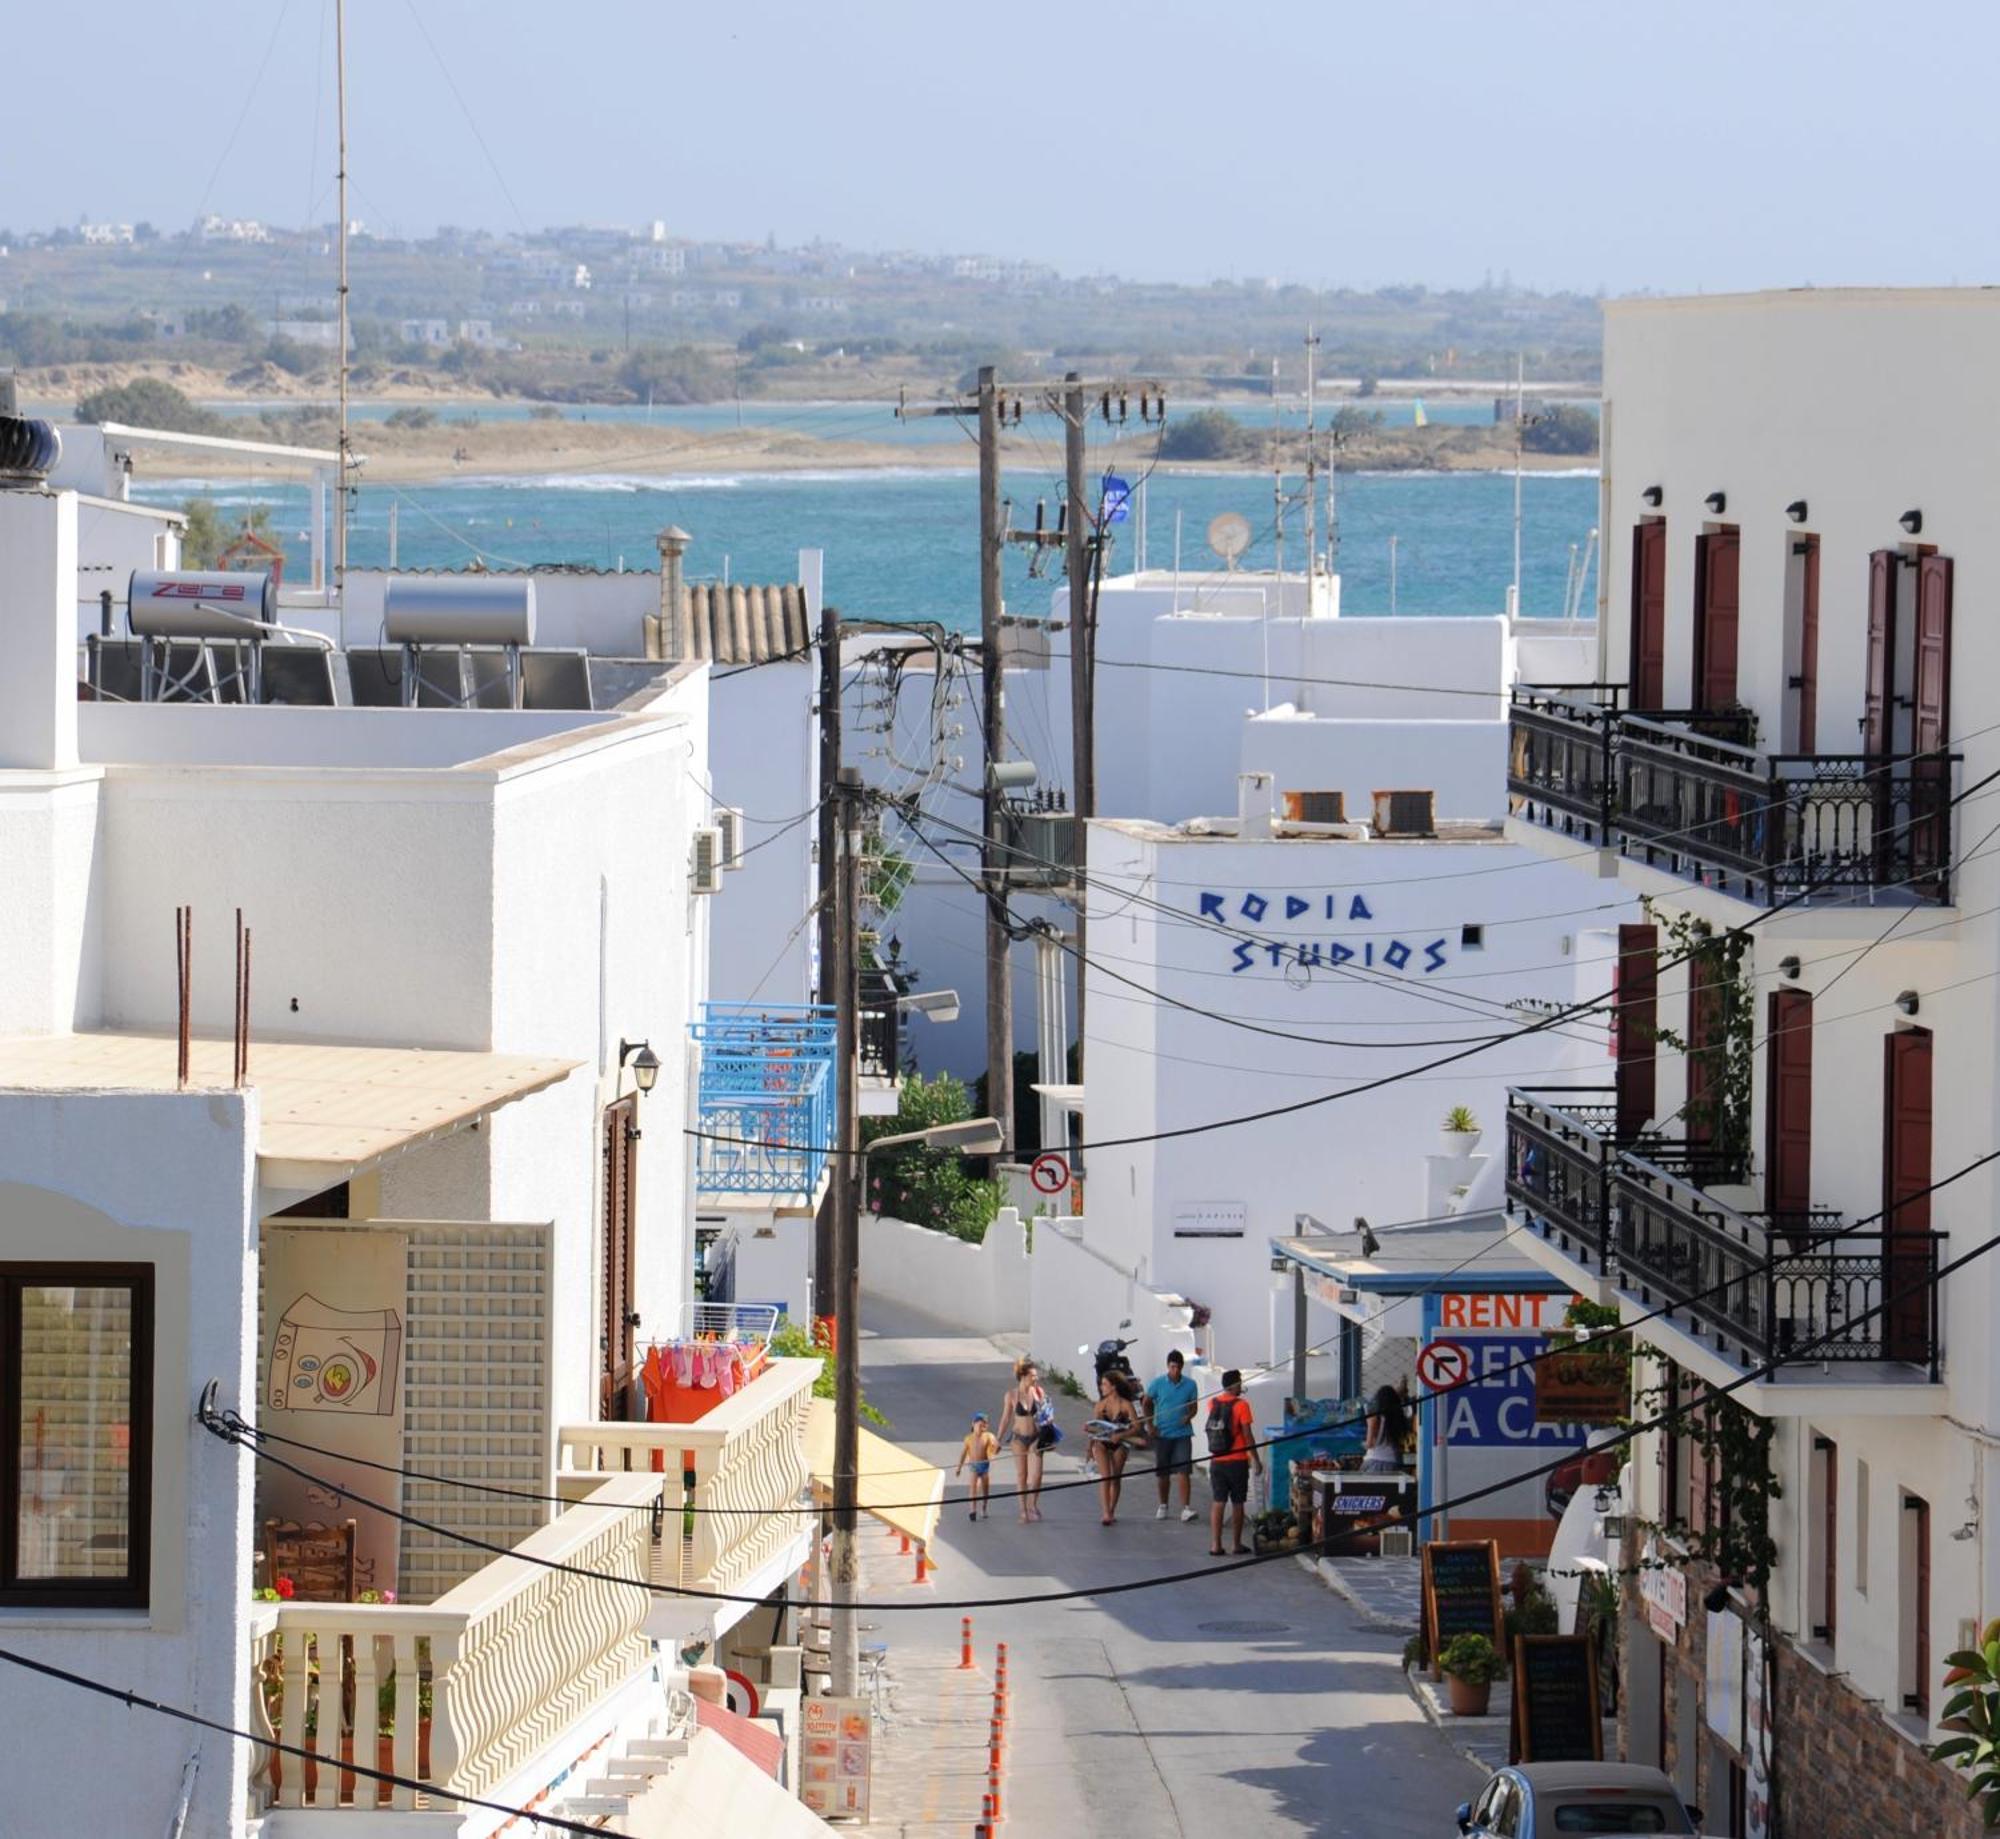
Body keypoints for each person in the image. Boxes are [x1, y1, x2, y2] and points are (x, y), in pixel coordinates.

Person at [1204, 1368, 1261, 1557]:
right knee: (1238, 1502)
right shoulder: (1241, 1405)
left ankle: (1215, 1545)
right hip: (1237, 1461)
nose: (1241, 1385)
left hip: (1216, 1460)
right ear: (1235, 1384)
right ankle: (1236, 1544)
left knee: (1218, 1501)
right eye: (1240, 1382)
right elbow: (1247, 1435)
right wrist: (1256, 1459)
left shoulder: (1213, 1403)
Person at [1144, 1349, 1201, 1522]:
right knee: (1163, 1473)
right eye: (1172, 1367)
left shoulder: (1190, 1385)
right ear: (1168, 1366)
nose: (1174, 1370)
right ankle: (1163, 1505)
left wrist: (1189, 1416)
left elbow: (1194, 1406)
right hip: (1162, 1433)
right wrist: (1150, 1425)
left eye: (1177, 1367)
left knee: (1184, 1471)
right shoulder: (1157, 1383)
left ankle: (1185, 1508)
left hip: (1183, 1434)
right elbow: (1146, 1402)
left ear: (1182, 1367)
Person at [1086, 1369, 1141, 1525]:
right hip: (1102, 1443)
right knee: (1106, 1477)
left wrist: (1121, 1435)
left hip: (1120, 1443)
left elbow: (1137, 1427)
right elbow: (1094, 1428)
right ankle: (1105, 1513)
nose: (1101, 1387)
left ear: (1113, 1387)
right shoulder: (1100, 1406)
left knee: (1115, 1478)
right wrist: (1089, 1448)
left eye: (1104, 1384)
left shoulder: (1126, 1405)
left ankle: (1111, 1509)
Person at [999, 1358, 1049, 1522]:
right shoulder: (1012, 1395)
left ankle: (1032, 1505)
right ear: (1023, 1376)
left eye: (1036, 1375)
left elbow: (1047, 1414)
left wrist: (1049, 1434)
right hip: (1019, 1438)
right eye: (1033, 1375)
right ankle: (1023, 1510)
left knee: (1037, 1474)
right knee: (1022, 1474)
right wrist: (998, 1439)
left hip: (1035, 1437)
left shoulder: (1038, 1392)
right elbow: (1005, 1419)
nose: (1036, 1378)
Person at [957, 1413, 1001, 1520]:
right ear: (973, 1424)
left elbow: (995, 1450)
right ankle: (973, 1510)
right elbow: (963, 1454)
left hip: (984, 1465)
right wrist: (959, 1467)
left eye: (984, 1426)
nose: (982, 1428)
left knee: (985, 1489)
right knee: (973, 1488)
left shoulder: (988, 1436)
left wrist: (997, 1448)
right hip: (974, 1466)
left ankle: (984, 1507)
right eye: (980, 1425)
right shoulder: (969, 1439)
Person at [1361, 1385, 1409, 1474]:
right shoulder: (1398, 1419)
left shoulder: (1374, 1418)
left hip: (1374, 1463)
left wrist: (1362, 1444)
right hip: (1394, 1463)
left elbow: (1369, 1444)